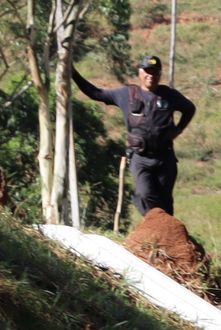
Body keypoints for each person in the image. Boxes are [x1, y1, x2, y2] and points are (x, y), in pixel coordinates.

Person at [71, 54, 195, 217]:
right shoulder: (127, 94)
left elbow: (189, 109)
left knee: (165, 202)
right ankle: (152, 224)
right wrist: (73, 73)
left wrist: (179, 129)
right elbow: (96, 93)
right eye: (148, 71)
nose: (151, 76)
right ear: (140, 72)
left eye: (155, 72)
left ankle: (165, 229)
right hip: (140, 158)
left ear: (160, 74)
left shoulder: (169, 95)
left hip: (165, 158)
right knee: (145, 195)